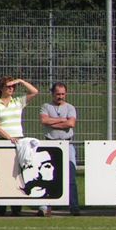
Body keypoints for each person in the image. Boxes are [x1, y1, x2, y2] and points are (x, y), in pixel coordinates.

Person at [0, 75, 39, 216]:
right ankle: (1, 207)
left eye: (12, 86)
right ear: (1, 88)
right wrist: (9, 137)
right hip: (1, 142)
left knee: (17, 175)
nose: (11, 89)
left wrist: (21, 81)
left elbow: (34, 92)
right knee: (2, 175)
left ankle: (16, 207)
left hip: (18, 143)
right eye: (8, 86)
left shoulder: (18, 102)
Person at [39, 82, 81, 216]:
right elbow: (44, 121)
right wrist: (62, 121)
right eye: (58, 94)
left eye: (63, 94)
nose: (60, 96)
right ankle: (45, 207)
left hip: (67, 144)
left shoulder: (70, 107)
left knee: (70, 176)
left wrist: (54, 121)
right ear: (53, 94)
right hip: (50, 144)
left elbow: (71, 123)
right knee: (48, 176)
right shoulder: (46, 106)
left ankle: (74, 206)